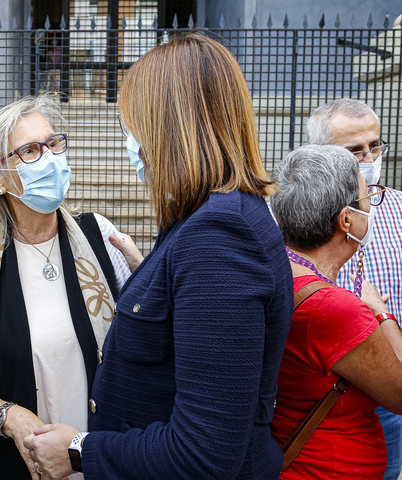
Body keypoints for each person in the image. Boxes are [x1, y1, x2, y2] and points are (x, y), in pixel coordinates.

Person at [23, 33, 293, 479]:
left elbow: (202, 456)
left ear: (171, 127)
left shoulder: (219, 234)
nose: (132, 142)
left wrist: (78, 449)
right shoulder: (212, 218)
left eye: (134, 126)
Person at [0, 94, 135, 480]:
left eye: (53, 143)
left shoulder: (100, 237)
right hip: (18, 464)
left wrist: (147, 278)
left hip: (102, 457)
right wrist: (8, 416)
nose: (49, 158)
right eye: (29, 150)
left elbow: (142, 345)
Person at [269, 144, 402, 478]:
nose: (372, 206)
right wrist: (380, 312)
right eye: (367, 198)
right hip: (326, 467)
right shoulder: (334, 307)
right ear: (346, 219)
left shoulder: (280, 272)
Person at [307, 98, 402, 480]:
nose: (369, 157)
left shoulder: (398, 209)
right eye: (354, 150)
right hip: (322, 394)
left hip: (389, 392)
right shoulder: (297, 217)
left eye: (375, 146)